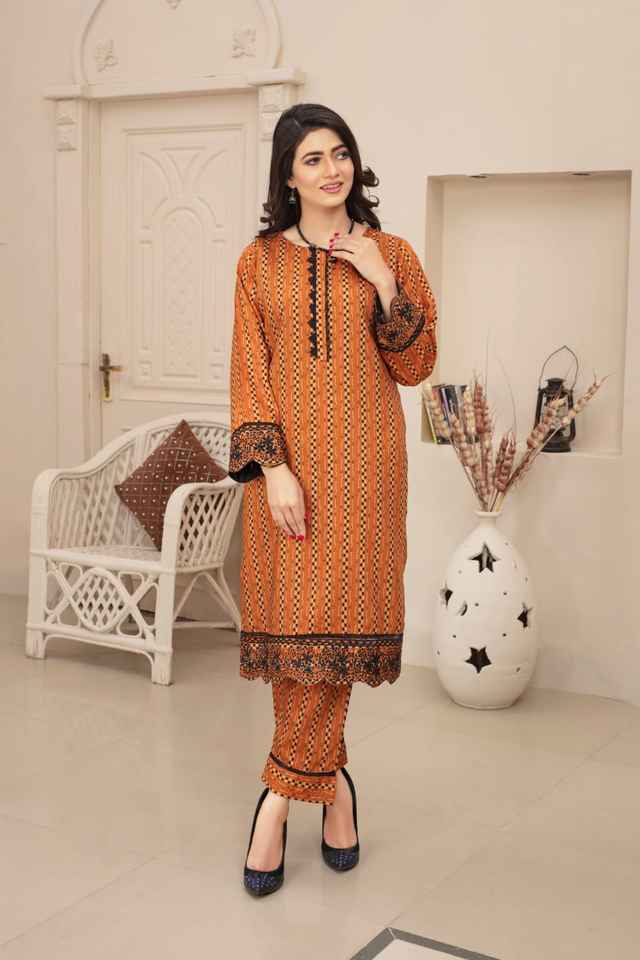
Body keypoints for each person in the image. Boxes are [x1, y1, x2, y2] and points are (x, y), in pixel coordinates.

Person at [227, 103, 438, 896]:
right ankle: (331, 789)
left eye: (340, 153)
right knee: (300, 631)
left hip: (367, 471)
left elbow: (417, 366)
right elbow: (248, 371)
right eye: (312, 159)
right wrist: (273, 468)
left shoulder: (394, 252)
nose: (331, 170)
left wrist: (381, 281)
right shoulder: (257, 263)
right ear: (287, 175)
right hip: (290, 474)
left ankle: (277, 803)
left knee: (338, 624)